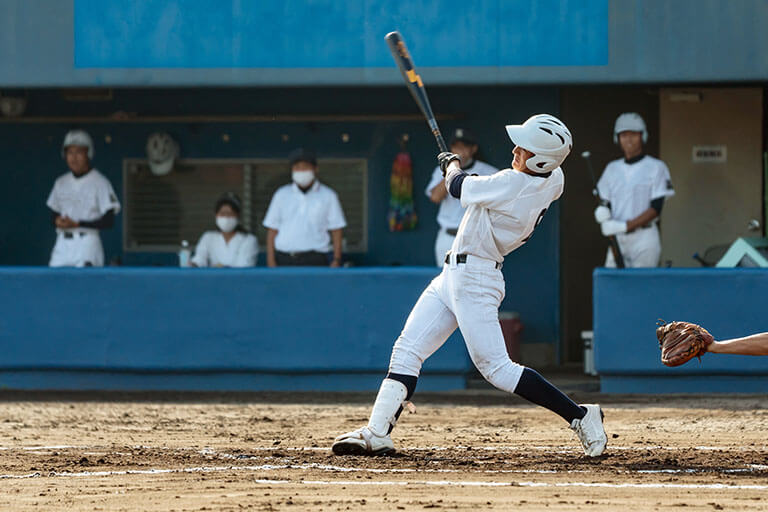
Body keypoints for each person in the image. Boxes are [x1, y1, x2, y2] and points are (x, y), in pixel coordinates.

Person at [332, 114, 607, 458]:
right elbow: (478, 185)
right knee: (407, 350)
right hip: (453, 274)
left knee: (497, 369)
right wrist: (459, 168)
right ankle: (377, 432)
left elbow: (458, 187)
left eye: (524, 148)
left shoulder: (514, 183)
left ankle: (581, 416)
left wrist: (452, 165)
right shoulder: (554, 179)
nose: (515, 149)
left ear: (540, 159)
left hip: (475, 278)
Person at [594, 113, 675, 267]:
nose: (628, 139)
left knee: (641, 285)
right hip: (618, 238)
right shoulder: (612, 168)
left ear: (642, 136)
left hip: (644, 238)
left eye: (633, 134)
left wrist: (626, 226)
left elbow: (656, 209)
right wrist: (602, 212)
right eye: (623, 135)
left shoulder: (656, 167)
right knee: (614, 284)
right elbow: (604, 201)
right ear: (617, 138)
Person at [46, 129, 121, 267]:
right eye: (70, 152)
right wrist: (57, 221)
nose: (74, 157)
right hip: (62, 243)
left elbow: (109, 221)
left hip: (87, 242)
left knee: (85, 285)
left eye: (79, 152)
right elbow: (53, 214)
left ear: (88, 154)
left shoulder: (100, 182)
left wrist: (78, 224)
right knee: (54, 283)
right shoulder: (60, 182)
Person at [425, 128, 498, 266]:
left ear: (473, 149)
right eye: (456, 146)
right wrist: (451, 170)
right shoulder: (441, 171)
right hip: (448, 237)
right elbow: (435, 197)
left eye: (464, 146)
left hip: (476, 239)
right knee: (445, 284)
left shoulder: (489, 172)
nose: (460, 150)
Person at [263, 148, 346, 267]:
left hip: (315, 259)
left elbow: (336, 229)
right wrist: (270, 261)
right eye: (297, 167)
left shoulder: (328, 196)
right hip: (284, 259)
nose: (301, 171)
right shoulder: (281, 194)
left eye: (305, 167)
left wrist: (336, 259)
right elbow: (272, 229)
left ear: (315, 169)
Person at [190, 192, 258, 268]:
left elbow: (243, 267)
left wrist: (221, 268)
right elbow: (199, 259)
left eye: (230, 214)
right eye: (222, 214)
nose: (226, 218)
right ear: (216, 215)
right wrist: (193, 264)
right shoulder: (208, 237)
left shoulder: (248, 240)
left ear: (238, 216)